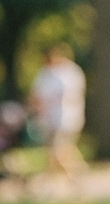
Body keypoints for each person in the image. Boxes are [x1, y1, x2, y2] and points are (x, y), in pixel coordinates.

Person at [29, 44, 87, 176]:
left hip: (67, 119)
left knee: (58, 150)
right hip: (49, 119)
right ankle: (68, 176)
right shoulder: (45, 73)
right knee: (59, 151)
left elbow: (73, 96)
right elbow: (36, 96)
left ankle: (76, 175)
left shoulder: (71, 72)